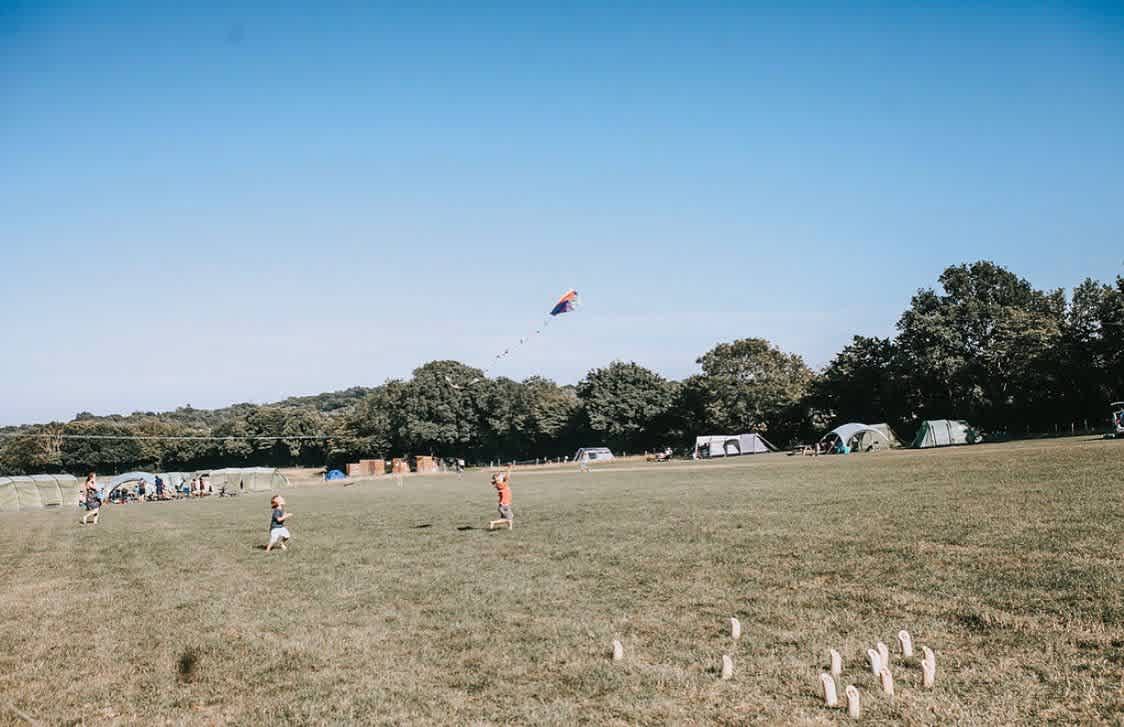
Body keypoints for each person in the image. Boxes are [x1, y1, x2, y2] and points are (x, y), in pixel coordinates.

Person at [488, 465, 514, 531]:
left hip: (504, 505)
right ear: (498, 479)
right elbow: (507, 477)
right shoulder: (501, 485)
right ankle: (493, 522)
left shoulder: (500, 483)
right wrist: (509, 468)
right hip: (504, 505)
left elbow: (505, 477)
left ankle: (510, 528)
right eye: (500, 477)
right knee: (509, 518)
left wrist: (509, 468)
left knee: (507, 517)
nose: (502, 477)